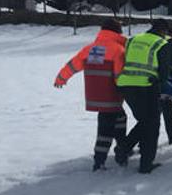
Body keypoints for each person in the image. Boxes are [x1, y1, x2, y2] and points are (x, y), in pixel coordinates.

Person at [54, 18, 129, 171]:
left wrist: (61, 78)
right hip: (111, 96)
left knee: (120, 118)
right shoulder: (118, 50)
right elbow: (119, 76)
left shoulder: (91, 48)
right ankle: (101, 160)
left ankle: (123, 148)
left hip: (95, 96)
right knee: (106, 129)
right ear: (117, 32)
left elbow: (73, 64)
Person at [116, 19, 171, 174]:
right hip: (146, 85)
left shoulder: (132, 39)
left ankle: (124, 148)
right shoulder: (161, 43)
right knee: (152, 124)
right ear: (164, 31)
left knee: (145, 121)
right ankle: (146, 163)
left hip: (125, 84)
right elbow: (164, 72)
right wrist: (161, 82)